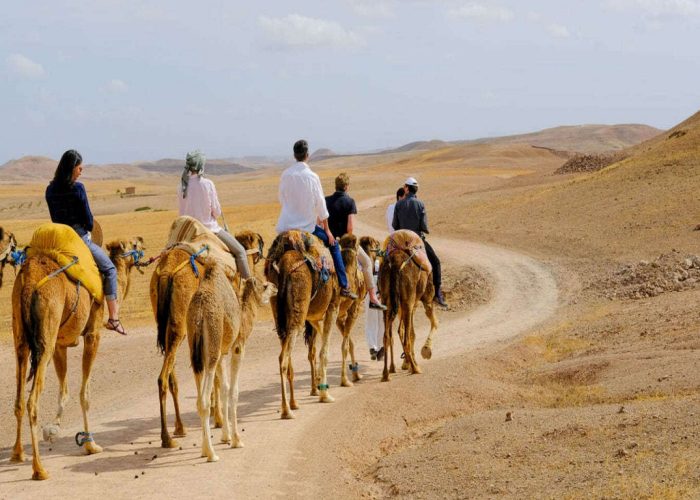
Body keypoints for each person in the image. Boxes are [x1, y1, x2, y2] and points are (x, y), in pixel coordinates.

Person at [45, 149, 126, 335]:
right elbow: (89, 222)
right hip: (79, 240)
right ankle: (114, 318)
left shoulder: (50, 189)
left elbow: (54, 218)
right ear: (72, 169)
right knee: (110, 269)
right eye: (79, 168)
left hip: (58, 240)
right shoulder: (78, 188)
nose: (81, 171)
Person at [276, 140, 357, 299]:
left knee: (273, 254)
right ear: (307, 155)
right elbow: (321, 205)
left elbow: (281, 198)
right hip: (307, 228)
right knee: (333, 246)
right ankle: (344, 285)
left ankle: (271, 284)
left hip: (285, 227)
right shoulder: (312, 177)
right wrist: (327, 231)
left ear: (294, 155)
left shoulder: (285, 175)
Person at [178, 150, 252, 279]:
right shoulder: (207, 184)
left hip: (189, 233)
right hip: (210, 230)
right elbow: (216, 212)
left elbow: (181, 214)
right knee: (240, 252)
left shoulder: (181, 186)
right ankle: (250, 287)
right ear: (201, 165)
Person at [325, 173, 385, 310]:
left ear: (336, 186)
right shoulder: (350, 202)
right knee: (367, 263)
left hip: (328, 242)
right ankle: (373, 297)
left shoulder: (326, 200)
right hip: (344, 243)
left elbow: (321, 222)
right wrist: (347, 240)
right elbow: (350, 228)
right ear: (346, 187)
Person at [392, 176, 448, 307]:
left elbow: (395, 225)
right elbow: (424, 226)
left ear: (406, 188)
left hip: (402, 241)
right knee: (436, 262)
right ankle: (437, 294)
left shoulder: (398, 204)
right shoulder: (420, 204)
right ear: (415, 190)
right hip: (417, 241)